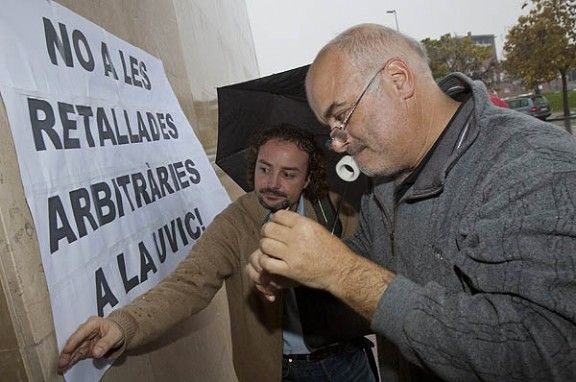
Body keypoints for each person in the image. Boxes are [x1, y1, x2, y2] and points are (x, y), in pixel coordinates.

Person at [249, 24, 576, 381]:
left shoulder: (529, 165)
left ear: (398, 79)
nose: (338, 143)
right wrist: (305, 266)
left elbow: (547, 352)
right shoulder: (387, 174)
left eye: (341, 115)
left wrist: (339, 271)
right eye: (330, 127)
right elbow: (371, 252)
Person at [57, 124, 376, 382]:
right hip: (282, 371)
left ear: (308, 179)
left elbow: (374, 268)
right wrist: (123, 325)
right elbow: (188, 284)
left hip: (346, 361)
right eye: (264, 169)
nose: (272, 183)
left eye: (288, 174)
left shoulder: (337, 210)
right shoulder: (235, 222)